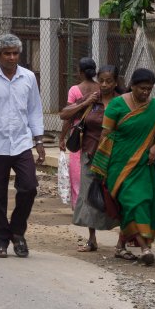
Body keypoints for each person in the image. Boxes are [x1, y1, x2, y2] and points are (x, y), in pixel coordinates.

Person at [0, 34, 45, 258]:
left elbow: (34, 109)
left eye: (15, 53)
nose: (12, 57)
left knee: (29, 186)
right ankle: (0, 240)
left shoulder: (29, 78)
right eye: (7, 53)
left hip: (21, 143)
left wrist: (39, 141)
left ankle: (17, 231)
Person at [90, 68, 155, 266]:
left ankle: (120, 247)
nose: (145, 92)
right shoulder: (117, 105)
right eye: (142, 88)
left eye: (149, 89)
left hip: (144, 164)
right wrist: (100, 165)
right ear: (132, 85)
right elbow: (105, 135)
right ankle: (144, 248)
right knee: (132, 202)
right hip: (119, 164)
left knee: (142, 202)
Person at [59, 65, 122, 255]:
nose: (104, 84)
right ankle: (91, 239)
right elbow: (64, 114)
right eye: (101, 80)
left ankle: (121, 243)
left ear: (116, 82)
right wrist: (84, 104)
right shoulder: (91, 100)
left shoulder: (122, 102)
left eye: (109, 81)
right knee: (88, 196)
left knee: (117, 197)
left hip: (115, 157)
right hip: (89, 154)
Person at [59, 58, 99, 208]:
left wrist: (62, 138)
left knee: (77, 169)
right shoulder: (101, 87)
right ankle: (94, 205)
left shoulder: (74, 90)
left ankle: (78, 206)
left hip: (79, 133)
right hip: (97, 132)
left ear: (80, 72)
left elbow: (67, 117)